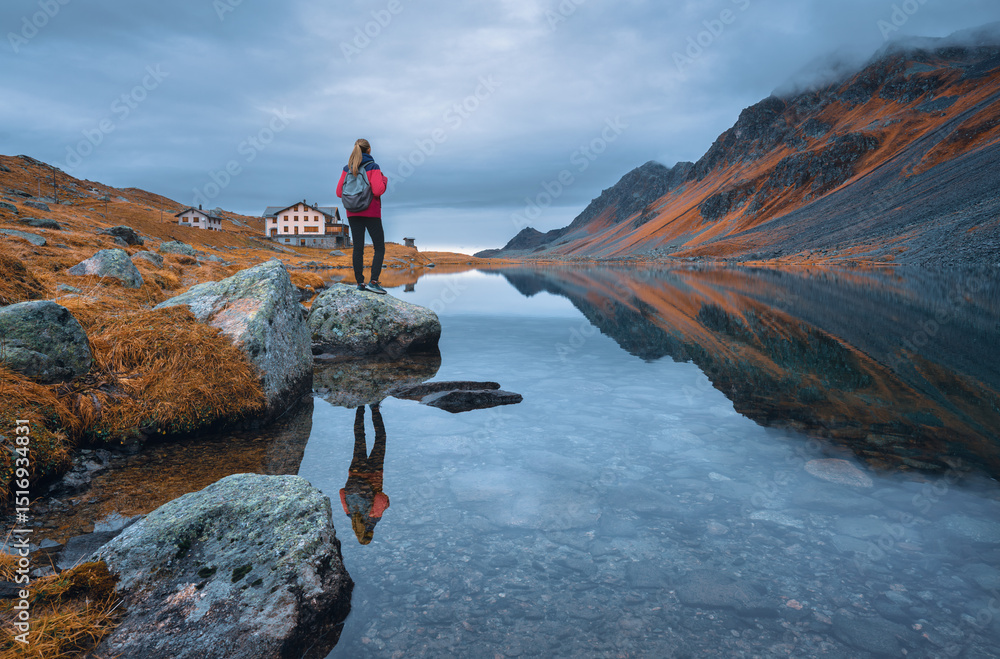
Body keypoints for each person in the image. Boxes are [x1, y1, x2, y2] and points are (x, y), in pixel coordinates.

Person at [336, 138, 389, 295]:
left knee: (358, 248)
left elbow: (339, 192)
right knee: (379, 247)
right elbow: (378, 190)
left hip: (352, 213)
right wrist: (384, 180)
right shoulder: (373, 167)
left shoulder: (347, 169)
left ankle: (360, 283)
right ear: (369, 150)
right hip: (371, 212)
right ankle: (373, 282)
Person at [339, 404, 390, 545]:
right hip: (356, 471)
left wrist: (386, 505)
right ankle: (360, 406)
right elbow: (342, 492)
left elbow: (381, 497)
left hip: (375, 472)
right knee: (359, 438)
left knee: (381, 438)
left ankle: (374, 408)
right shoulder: (350, 514)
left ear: (369, 532)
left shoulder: (374, 517)